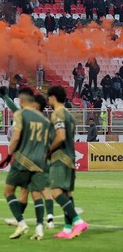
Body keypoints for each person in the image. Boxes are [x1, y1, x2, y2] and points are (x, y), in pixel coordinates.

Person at [0, 90, 52, 240]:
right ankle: (39, 227)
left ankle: (21, 222)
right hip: (39, 161)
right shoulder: (45, 121)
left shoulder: (24, 115)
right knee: (31, 193)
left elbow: (15, 136)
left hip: (23, 159)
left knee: (9, 191)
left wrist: (9, 155)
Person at [47, 86, 88, 239]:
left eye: (48, 97)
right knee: (67, 194)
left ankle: (78, 221)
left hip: (59, 158)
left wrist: (48, 150)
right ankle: (67, 229)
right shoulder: (70, 115)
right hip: (70, 157)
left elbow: (61, 136)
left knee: (56, 192)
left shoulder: (57, 114)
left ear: (52, 97)